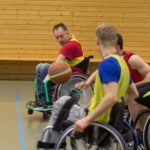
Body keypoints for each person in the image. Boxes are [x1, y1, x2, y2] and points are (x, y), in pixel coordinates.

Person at [41, 23, 138, 149]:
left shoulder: (106, 64)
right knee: (65, 101)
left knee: (60, 104)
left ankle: (48, 146)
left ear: (97, 41)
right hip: (111, 122)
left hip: (97, 124)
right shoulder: (122, 64)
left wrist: (87, 120)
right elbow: (134, 93)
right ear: (115, 40)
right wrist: (115, 109)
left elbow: (111, 97)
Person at [31, 23, 88, 107]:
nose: (59, 40)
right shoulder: (72, 41)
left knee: (44, 68)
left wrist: (46, 79)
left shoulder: (70, 45)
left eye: (61, 36)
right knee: (39, 66)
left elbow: (57, 63)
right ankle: (41, 98)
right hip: (70, 70)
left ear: (67, 33)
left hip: (73, 74)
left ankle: (45, 99)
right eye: (57, 37)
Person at [116, 33, 150, 149]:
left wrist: (135, 85)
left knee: (134, 97)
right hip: (133, 90)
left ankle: (146, 136)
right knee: (130, 98)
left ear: (117, 47)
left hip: (144, 87)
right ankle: (137, 133)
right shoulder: (114, 61)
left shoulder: (132, 59)